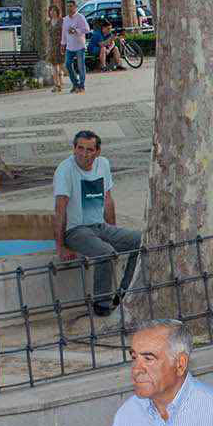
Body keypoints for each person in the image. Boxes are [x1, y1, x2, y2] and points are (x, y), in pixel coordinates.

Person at [53, 131, 142, 315]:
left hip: (99, 227)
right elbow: (59, 211)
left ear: (97, 152)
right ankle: (101, 303)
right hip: (76, 230)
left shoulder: (103, 164)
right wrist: (60, 247)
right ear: (74, 148)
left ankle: (124, 293)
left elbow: (108, 201)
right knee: (106, 253)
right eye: (80, 148)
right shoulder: (64, 170)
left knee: (140, 240)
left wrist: (113, 230)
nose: (84, 154)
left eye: (89, 150)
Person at [59, 0, 91, 93]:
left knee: (81, 66)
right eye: (67, 6)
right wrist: (62, 44)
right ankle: (75, 84)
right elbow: (64, 33)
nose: (69, 8)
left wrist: (76, 30)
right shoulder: (65, 19)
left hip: (79, 46)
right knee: (68, 64)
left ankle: (82, 86)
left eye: (71, 6)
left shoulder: (80, 17)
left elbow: (87, 29)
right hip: (69, 46)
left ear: (75, 7)